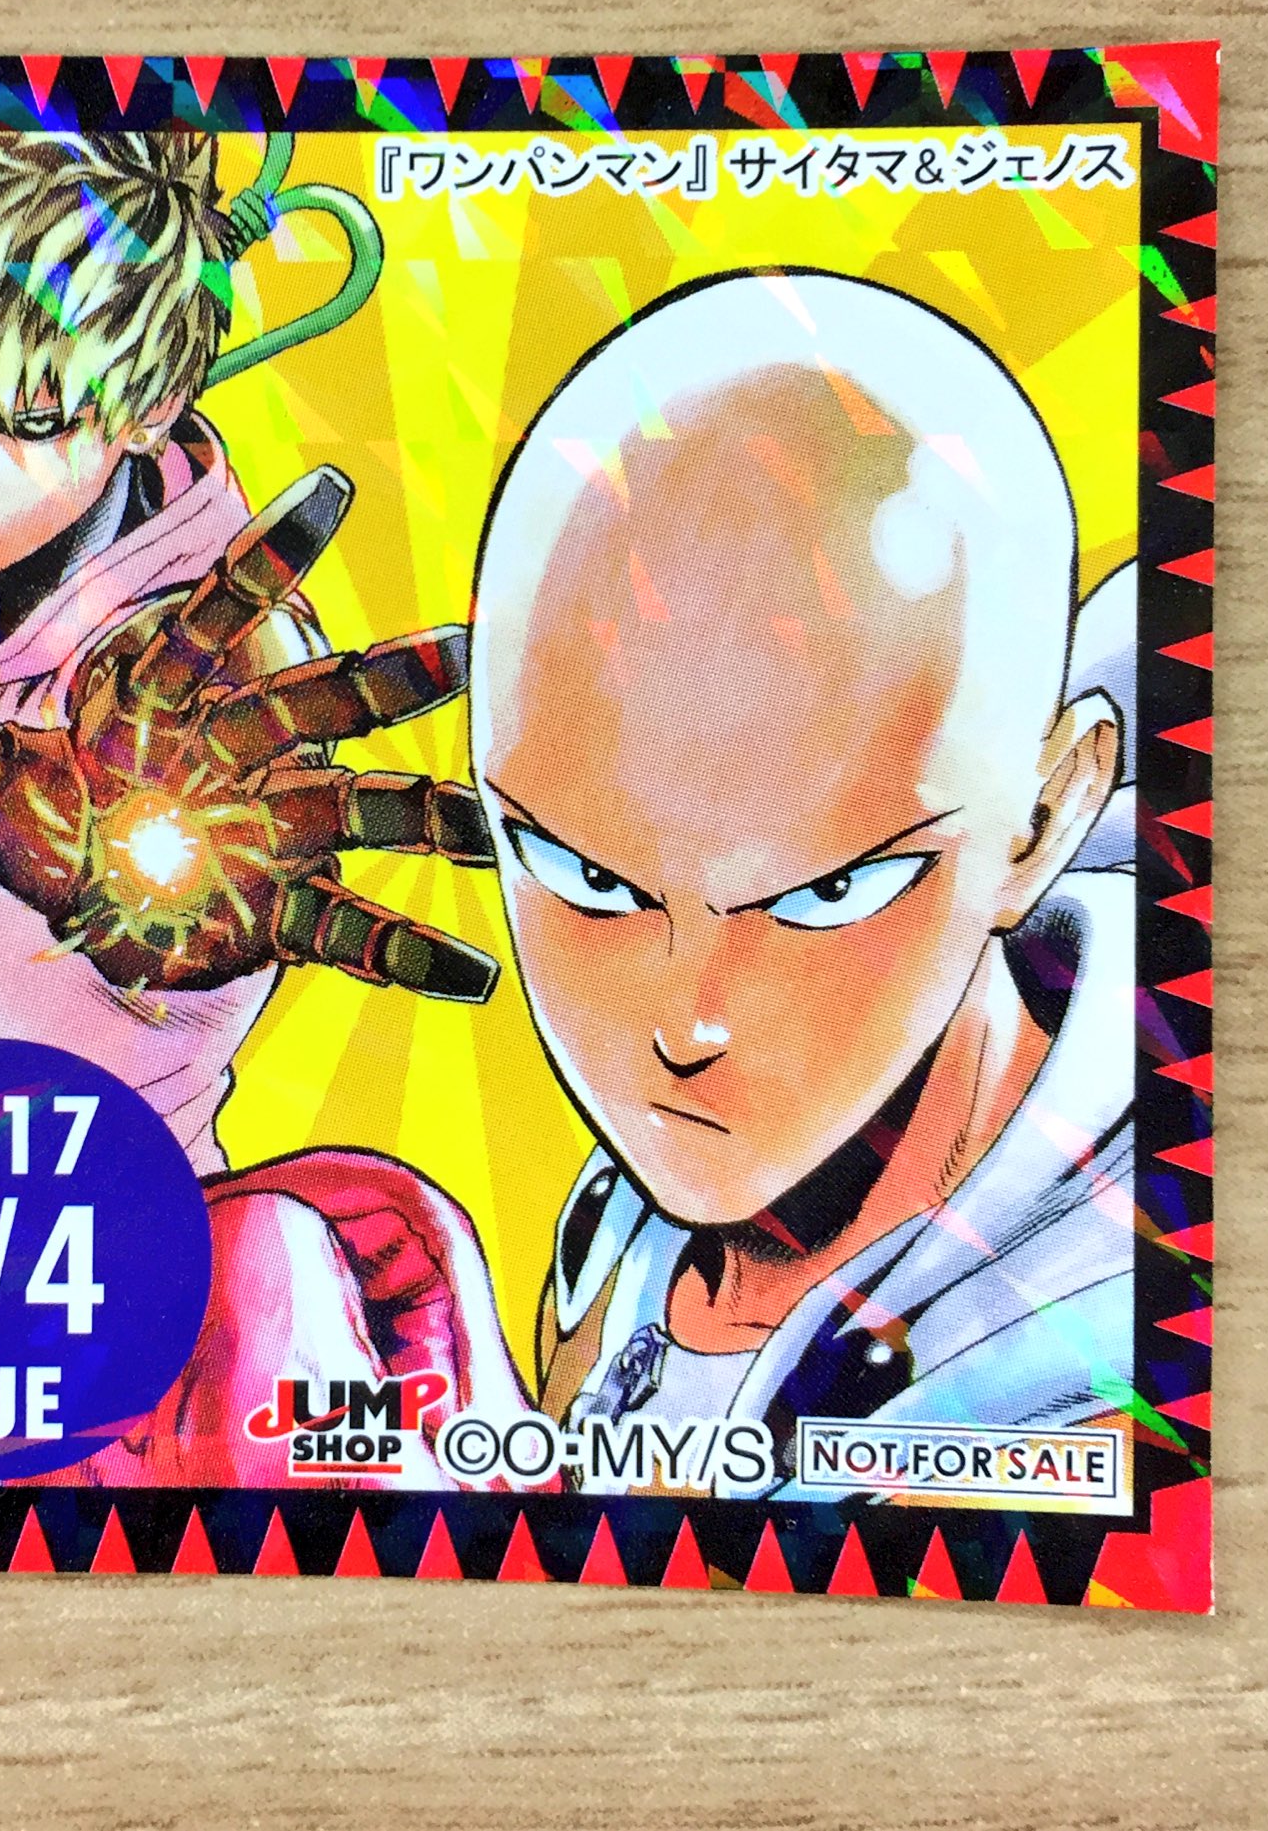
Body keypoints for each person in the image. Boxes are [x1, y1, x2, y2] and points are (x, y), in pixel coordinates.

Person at [0, 129, 528, 1488]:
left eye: (21, 422)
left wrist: (136, 889)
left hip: (160, 1318)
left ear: (148, 400)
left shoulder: (215, 669)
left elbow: (172, 925)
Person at [469, 269, 1137, 1495]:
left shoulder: (1102, 1367)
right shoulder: (633, 1223)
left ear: (1042, 817)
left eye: (821, 897)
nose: (685, 1025)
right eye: (585, 875)